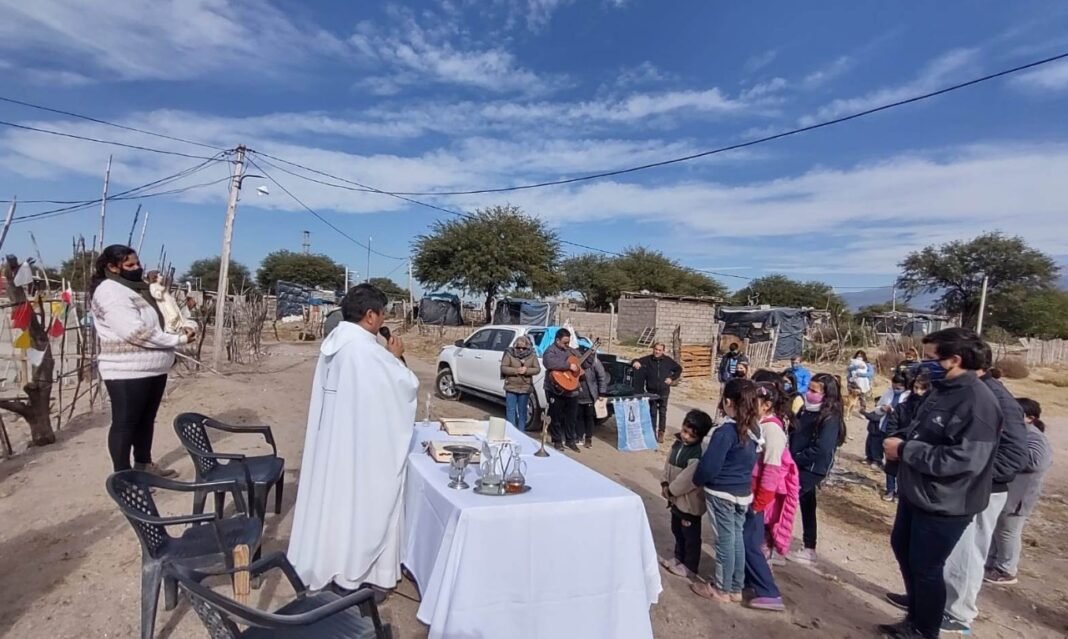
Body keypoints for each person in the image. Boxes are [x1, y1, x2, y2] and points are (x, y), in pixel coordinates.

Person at [288, 283, 417, 592]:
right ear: (371, 315)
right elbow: (405, 389)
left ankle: (329, 564)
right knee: (363, 506)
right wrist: (396, 358)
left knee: (335, 504)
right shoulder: (366, 351)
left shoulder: (335, 341)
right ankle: (364, 574)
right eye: (383, 314)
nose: (384, 320)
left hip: (336, 441)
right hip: (362, 449)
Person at [877, 328, 1001, 639]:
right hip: (917, 492)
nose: (925, 364)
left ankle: (925, 630)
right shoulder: (942, 390)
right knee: (905, 551)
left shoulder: (978, 402)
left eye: (931, 358)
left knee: (926, 567)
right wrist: (900, 440)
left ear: (954, 360)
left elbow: (965, 460)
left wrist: (905, 450)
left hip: (945, 501)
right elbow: (921, 430)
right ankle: (914, 619)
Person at [940, 342, 1028, 635]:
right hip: (961, 484)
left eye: (939, 359)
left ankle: (957, 613)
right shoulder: (970, 392)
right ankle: (935, 598)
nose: (937, 366)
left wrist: (973, 475)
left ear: (959, 361)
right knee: (949, 548)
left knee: (967, 551)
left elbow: (1015, 455)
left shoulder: (995, 398)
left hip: (982, 488)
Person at [90, 245, 193, 476]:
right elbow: (136, 333)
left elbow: (160, 321)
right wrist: (178, 340)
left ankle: (144, 464)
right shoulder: (110, 292)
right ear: (112, 267)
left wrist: (181, 328)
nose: (137, 268)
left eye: (137, 263)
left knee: (146, 419)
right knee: (125, 423)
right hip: (127, 371)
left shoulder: (137, 290)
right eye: (130, 265)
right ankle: (124, 478)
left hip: (153, 368)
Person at [690, 379, 761, 604]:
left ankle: (721, 588)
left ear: (728, 401)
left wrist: (697, 480)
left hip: (722, 493)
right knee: (736, 539)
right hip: (742, 493)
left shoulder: (726, 432)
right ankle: (735, 587)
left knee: (724, 541)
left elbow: (710, 466)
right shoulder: (754, 428)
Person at [985, 398, 1053, 586]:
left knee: (1008, 532)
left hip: (1020, 497)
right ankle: (991, 564)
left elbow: (1038, 462)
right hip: (1008, 493)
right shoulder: (1016, 433)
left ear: (1030, 418)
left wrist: (1011, 455)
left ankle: (1007, 570)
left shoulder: (1034, 437)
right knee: (997, 530)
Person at [745, 381, 799, 611]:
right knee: (748, 541)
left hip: (759, 499)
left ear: (766, 405)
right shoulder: (759, 424)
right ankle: (750, 581)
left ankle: (769, 592)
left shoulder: (772, 431)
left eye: (752, 401)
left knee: (751, 544)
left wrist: (759, 503)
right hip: (751, 494)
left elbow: (772, 471)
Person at [787, 373, 845, 565]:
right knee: (807, 504)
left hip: (811, 468)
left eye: (814, 390)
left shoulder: (829, 418)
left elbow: (822, 449)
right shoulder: (806, 409)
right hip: (798, 463)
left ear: (826, 394)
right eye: (809, 388)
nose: (809, 393)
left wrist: (796, 458)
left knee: (786, 502)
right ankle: (809, 547)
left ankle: (777, 546)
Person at [659, 409, 715, 579]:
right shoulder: (677, 444)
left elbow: (687, 479)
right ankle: (678, 557)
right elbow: (667, 465)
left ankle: (690, 565)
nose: (686, 436)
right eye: (684, 431)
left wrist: (671, 490)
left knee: (690, 535)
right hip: (675, 499)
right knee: (676, 529)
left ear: (700, 437)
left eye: (692, 435)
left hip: (689, 503)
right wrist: (664, 482)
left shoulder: (697, 453)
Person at [881, 371, 931, 502]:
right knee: (891, 467)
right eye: (916, 387)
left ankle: (900, 492)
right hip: (897, 441)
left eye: (922, 389)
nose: (918, 392)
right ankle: (890, 489)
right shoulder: (902, 407)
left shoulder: (929, 411)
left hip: (913, 445)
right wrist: (892, 438)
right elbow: (892, 424)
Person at [633, 343, 683, 443]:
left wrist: (671, 378)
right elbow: (635, 360)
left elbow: (679, 369)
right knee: (652, 412)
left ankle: (661, 432)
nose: (657, 351)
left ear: (663, 351)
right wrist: (635, 362)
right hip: (651, 391)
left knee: (662, 412)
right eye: (656, 349)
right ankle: (652, 432)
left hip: (664, 391)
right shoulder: (648, 359)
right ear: (653, 349)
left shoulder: (668, 361)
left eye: (660, 350)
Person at [544, 328, 581, 452]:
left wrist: (591, 355)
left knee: (571, 417)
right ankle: (557, 441)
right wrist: (568, 366)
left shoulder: (571, 351)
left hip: (571, 390)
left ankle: (570, 440)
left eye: (568, 342)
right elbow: (549, 363)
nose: (567, 344)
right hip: (555, 389)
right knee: (556, 416)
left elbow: (583, 363)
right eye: (565, 342)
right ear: (557, 340)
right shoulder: (550, 351)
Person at [862, 375, 909, 468]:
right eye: (893, 387)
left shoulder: (907, 396)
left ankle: (890, 465)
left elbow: (905, 413)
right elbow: (878, 406)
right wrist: (882, 408)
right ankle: (876, 459)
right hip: (884, 420)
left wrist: (892, 411)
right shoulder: (889, 392)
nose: (895, 389)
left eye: (898, 388)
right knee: (877, 440)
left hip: (896, 423)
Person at [500, 335, 541, 431]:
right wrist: (516, 370)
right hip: (511, 386)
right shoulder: (509, 354)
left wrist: (527, 370)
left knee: (522, 411)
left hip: (525, 387)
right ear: (515, 346)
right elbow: (503, 368)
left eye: (524, 348)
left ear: (528, 347)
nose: (521, 350)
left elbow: (537, 369)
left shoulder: (532, 355)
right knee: (510, 411)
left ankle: (521, 433)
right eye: (518, 347)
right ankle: (512, 432)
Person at [577, 346, 608, 448]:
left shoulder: (595, 363)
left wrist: (602, 393)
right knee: (579, 417)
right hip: (578, 394)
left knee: (589, 417)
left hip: (590, 395)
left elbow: (602, 377)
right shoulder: (576, 362)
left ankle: (588, 439)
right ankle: (579, 437)